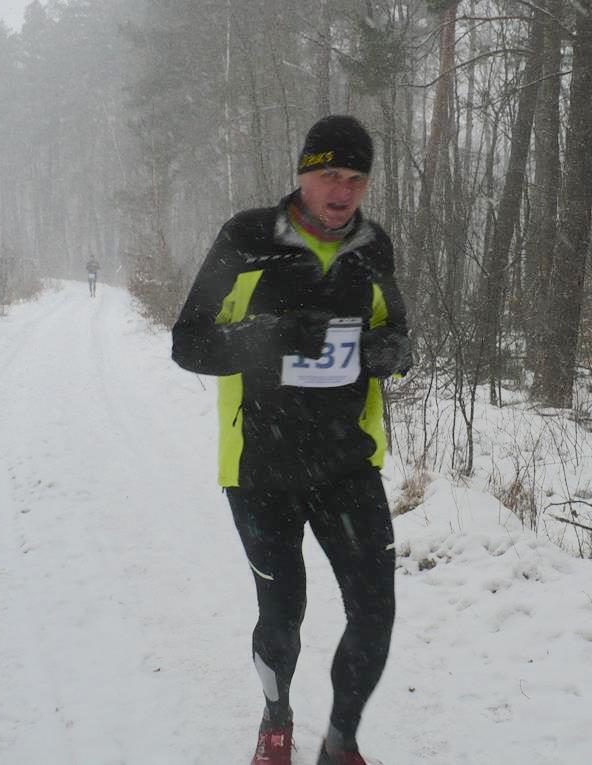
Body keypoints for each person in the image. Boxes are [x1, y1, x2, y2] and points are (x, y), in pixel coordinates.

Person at [172, 115, 411, 765]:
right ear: (303, 173)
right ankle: (276, 715)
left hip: (347, 464)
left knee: (375, 611)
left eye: (356, 178)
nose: (342, 191)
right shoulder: (248, 238)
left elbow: (395, 332)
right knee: (282, 613)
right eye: (330, 174)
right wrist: (274, 336)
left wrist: (392, 354)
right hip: (260, 467)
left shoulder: (373, 247)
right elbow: (189, 343)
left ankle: (341, 741)